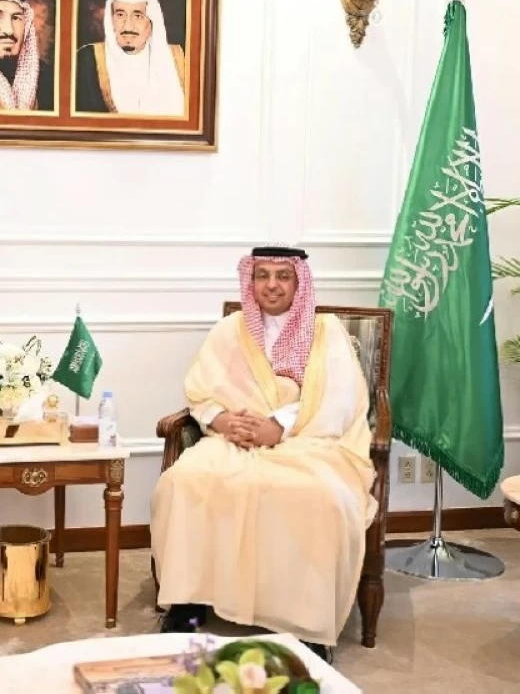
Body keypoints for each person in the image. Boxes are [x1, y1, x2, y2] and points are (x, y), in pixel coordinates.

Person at [149, 246, 376, 661]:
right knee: (185, 481)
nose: (271, 285)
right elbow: (200, 391)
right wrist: (221, 421)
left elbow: (340, 399)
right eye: (262, 275)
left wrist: (280, 426)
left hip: (309, 442)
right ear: (250, 281)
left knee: (319, 497)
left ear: (299, 282)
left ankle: (308, 625)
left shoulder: (326, 331)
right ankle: (188, 603)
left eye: (282, 276)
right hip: (233, 440)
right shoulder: (230, 330)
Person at [75, 0, 185, 116]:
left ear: (152, 21)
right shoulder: (87, 60)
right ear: (111, 20)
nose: (128, 26)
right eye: (120, 15)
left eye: (138, 16)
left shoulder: (181, 60)